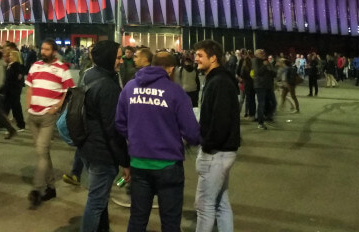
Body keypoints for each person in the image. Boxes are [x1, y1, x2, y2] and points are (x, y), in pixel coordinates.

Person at [116, 50, 200, 231]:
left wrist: (138, 137)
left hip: (139, 163)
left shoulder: (130, 88)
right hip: (168, 164)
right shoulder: (176, 92)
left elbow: (120, 123)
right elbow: (192, 133)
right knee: (170, 222)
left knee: (137, 219)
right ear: (170, 69)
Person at [79, 41, 129, 232]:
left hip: (87, 146)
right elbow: (113, 130)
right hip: (102, 152)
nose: (121, 61)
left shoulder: (88, 75)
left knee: (99, 198)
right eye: (117, 57)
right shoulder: (108, 87)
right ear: (108, 58)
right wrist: (125, 161)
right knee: (96, 202)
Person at [194, 39, 241, 232]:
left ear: (213, 58)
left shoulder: (219, 81)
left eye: (200, 55)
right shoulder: (219, 79)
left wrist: (207, 144)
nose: (195, 58)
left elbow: (220, 120)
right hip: (222, 151)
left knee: (204, 205)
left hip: (216, 152)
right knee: (221, 204)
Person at [25, 39, 75, 208]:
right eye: (42, 48)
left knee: (41, 151)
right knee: (43, 153)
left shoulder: (62, 68)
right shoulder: (35, 65)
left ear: (54, 51)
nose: (43, 51)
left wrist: (57, 108)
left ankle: (37, 190)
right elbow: (29, 86)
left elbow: (68, 92)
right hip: (33, 116)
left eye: (47, 49)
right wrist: (28, 106)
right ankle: (51, 187)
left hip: (47, 117)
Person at [3, 49, 27, 131]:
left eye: (11, 55)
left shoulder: (16, 66)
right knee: (10, 108)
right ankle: (8, 124)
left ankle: (20, 125)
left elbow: (16, 79)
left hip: (13, 91)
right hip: (10, 90)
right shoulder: (9, 65)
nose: (9, 57)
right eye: (9, 55)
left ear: (16, 57)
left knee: (15, 108)